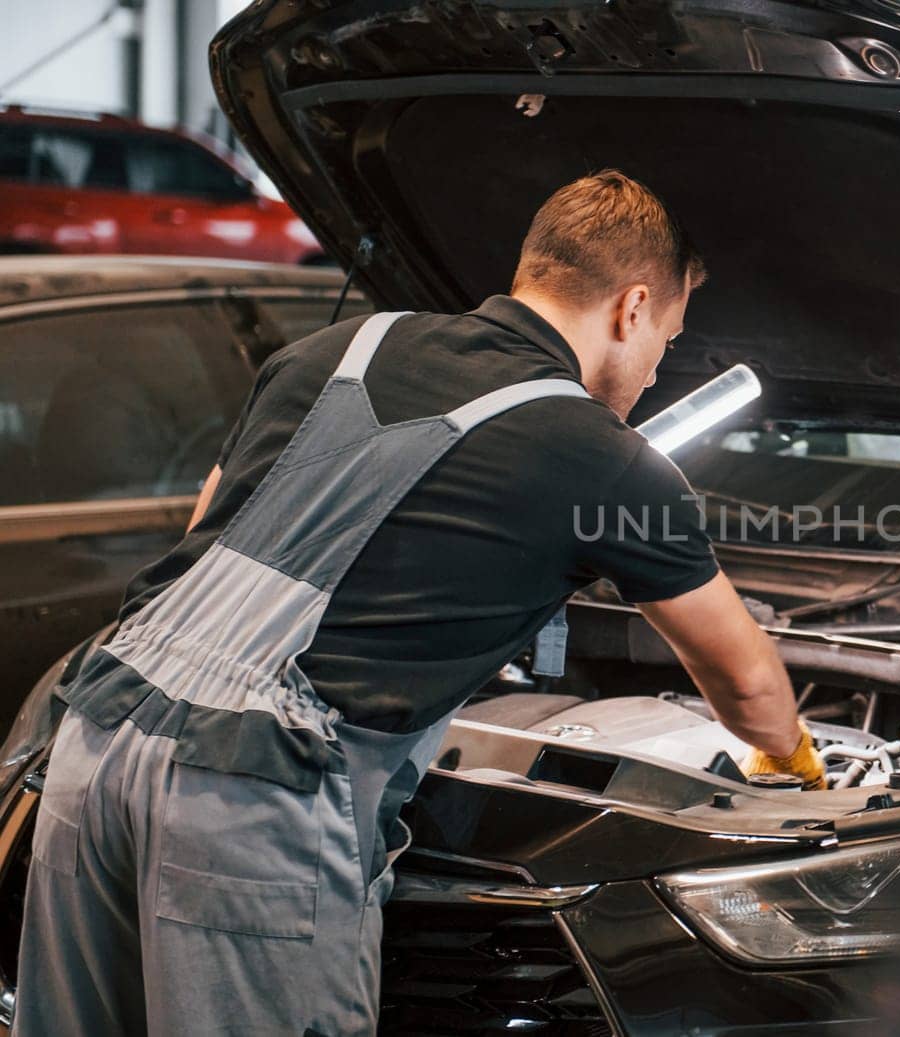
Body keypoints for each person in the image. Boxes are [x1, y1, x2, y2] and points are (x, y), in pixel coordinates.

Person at [14, 170, 825, 1036]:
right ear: (631, 309)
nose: (661, 367)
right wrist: (796, 767)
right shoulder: (606, 458)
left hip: (90, 747)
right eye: (667, 336)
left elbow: (211, 520)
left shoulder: (331, 351)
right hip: (251, 804)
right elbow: (747, 686)